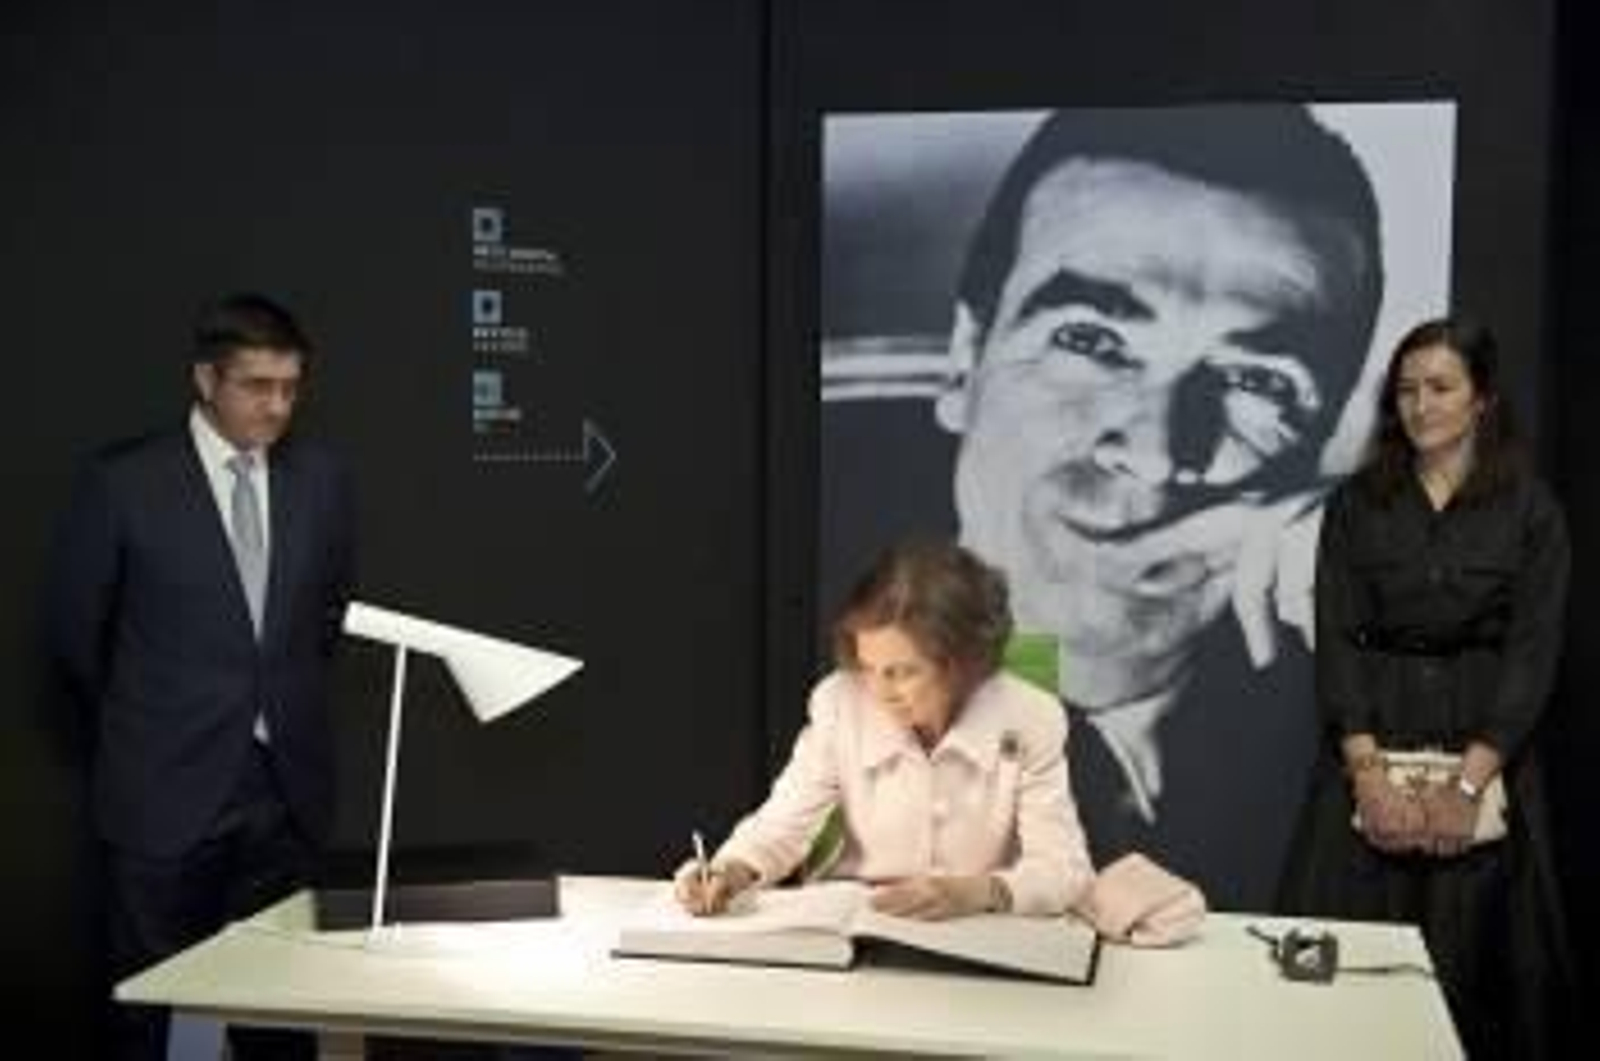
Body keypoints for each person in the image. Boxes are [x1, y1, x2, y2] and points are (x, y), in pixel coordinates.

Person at [926, 104, 1385, 909]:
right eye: (1092, 340)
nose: (1157, 447)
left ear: (1315, 448)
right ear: (965, 365)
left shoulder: (1347, 713)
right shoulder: (812, 672)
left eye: (1256, 381)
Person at [46, 293, 357, 1061]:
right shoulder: (124, 481)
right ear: (205, 379)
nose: (278, 406)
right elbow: (75, 638)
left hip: (284, 792)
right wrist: (154, 723)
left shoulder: (322, 479)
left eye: (291, 386)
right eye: (257, 385)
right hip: (162, 791)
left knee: (280, 1010)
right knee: (155, 1016)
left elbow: (325, 617)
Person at [1277, 317, 1572, 1058]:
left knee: (1478, 977)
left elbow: (1533, 657)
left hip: (1488, 754)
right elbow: (1339, 641)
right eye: (1405, 389)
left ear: (1483, 400)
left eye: (1440, 386)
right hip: (1371, 748)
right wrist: (1369, 777)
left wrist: (1467, 788)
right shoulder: (1356, 505)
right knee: (1332, 983)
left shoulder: (1531, 511)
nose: (1420, 405)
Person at [678, 538, 1094, 920]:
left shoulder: (1031, 716)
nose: (880, 691)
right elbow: (781, 826)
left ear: (965, 663)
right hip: (862, 926)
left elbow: (1065, 870)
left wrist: (982, 891)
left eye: (902, 672)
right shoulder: (840, 703)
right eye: (869, 667)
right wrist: (730, 870)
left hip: (979, 930)